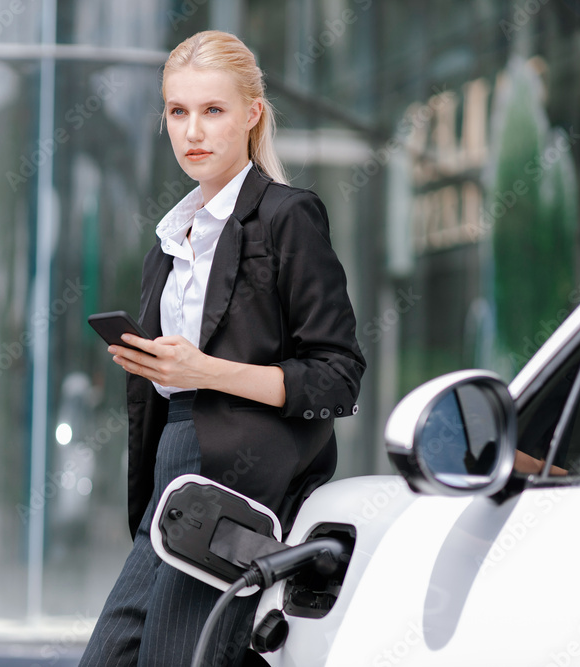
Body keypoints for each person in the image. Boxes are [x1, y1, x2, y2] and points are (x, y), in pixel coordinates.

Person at [80, 31, 365, 666]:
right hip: (172, 464)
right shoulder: (170, 241)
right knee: (108, 658)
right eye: (178, 112)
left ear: (252, 114)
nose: (193, 131)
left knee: (179, 658)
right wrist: (153, 367)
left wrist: (203, 370)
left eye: (213, 110)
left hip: (241, 476)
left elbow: (338, 377)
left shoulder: (288, 217)